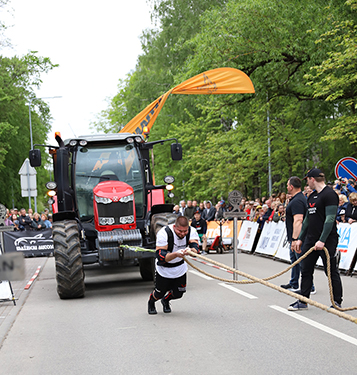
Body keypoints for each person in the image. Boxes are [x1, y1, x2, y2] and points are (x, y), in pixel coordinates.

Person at [288, 168, 343, 311]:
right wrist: (300, 238)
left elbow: (330, 219)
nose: (307, 183)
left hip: (326, 240)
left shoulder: (329, 194)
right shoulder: (311, 196)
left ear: (313, 179)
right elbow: (307, 220)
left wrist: (322, 240)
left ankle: (337, 301)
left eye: (307, 179)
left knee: (330, 271)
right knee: (305, 270)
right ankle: (303, 300)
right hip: (310, 240)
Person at [147, 216, 199, 314]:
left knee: (179, 293)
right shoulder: (164, 233)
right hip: (164, 268)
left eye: (185, 231)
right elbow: (161, 257)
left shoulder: (191, 231)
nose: (183, 234)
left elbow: (195, 247)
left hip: (179, 267)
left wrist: (191, 251)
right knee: (159, 293)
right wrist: (176, 254)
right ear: (175, 227)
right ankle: (151, 302)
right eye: (180, 231)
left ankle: (166, 301)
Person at [280, 177, 311, 293]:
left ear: (291, 187)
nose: (287, 187)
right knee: (295, 260)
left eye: (288, 185)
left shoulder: (298, 201)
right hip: (295, 236)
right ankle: (294, 282)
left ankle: (309, 286)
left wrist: (295, 239)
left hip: (298, 237)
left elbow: (298, 220)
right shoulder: (297, 199)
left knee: (302, 262)